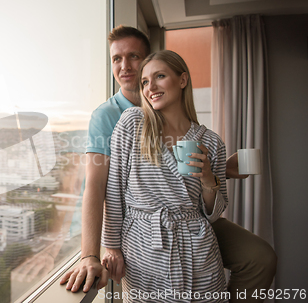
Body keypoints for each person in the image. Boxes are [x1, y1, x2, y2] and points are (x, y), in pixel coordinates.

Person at [60, 26, 277, 302]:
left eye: (135, 58)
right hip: (144, 238)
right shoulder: (119, 120)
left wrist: (214, 176)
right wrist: (99, 251)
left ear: (180, 78)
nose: (126, 67)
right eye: (116, 59)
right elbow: (101, 187)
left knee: (261, 257)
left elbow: (208, 207)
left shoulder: (210, 140)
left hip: (196, 237)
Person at [103, 49, 228, 301]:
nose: (151, 87)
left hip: (198, 251)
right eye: (145, 82)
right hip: (143, 249)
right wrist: (111, 246)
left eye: (159, 76)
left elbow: (215, 212)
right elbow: (113, 190)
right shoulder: (133, 123)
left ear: (182, 80)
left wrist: (207, 178)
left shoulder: (212, 142)